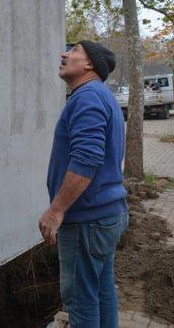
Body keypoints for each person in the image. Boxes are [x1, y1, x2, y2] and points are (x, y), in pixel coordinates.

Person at [38, 40, 129, 327]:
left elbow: (87, 158)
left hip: (87, 221)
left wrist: (56, 209)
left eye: (74, 51)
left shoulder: (86, 97)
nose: (64, 54)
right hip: (107, 215)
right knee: (101, 292)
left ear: (90, 64)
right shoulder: (101, 96)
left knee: (80, 300)